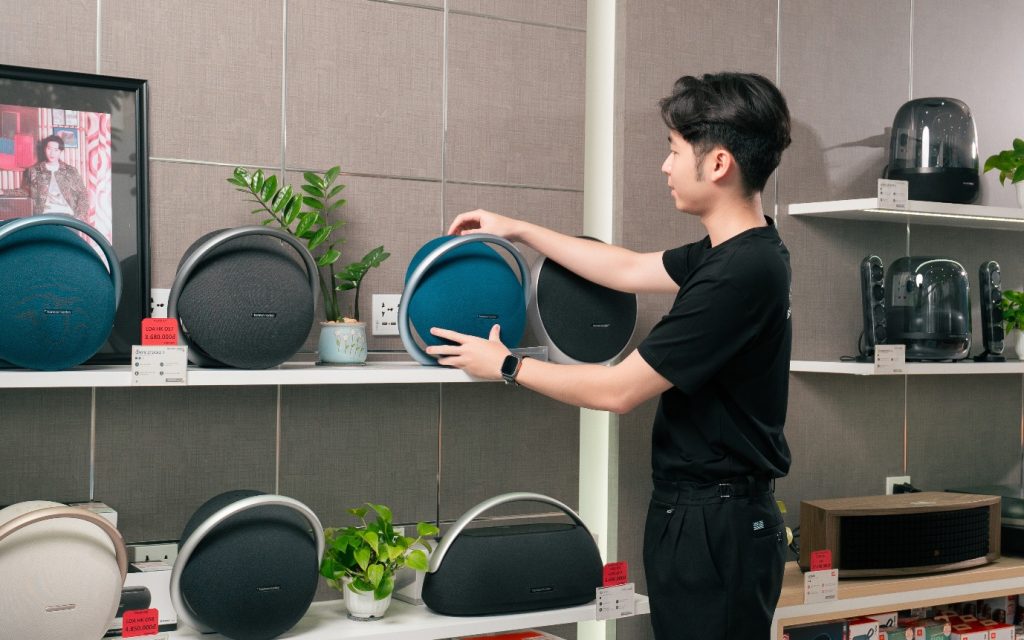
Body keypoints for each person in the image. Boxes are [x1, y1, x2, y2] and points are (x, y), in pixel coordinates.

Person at [427, 71, 793, 639]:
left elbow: (619, 390)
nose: (665, 166)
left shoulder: (738, 274)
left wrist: (506, 365)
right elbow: (625, 268)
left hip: (716, 523)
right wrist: (518, 229)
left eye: (674, 151)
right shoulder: (740, 251)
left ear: (719, 163)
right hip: (705, 515)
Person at [22, 134, 88, 219]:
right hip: (44, 216)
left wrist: (79, 217)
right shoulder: (34, 171)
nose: (52, 153)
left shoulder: (71, 171)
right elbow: (25, 192)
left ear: (60, 151)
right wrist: (6, 193)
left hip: (68, 215)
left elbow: (83, 194)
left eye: (56, 150)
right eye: (49, 149)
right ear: (44, 149)